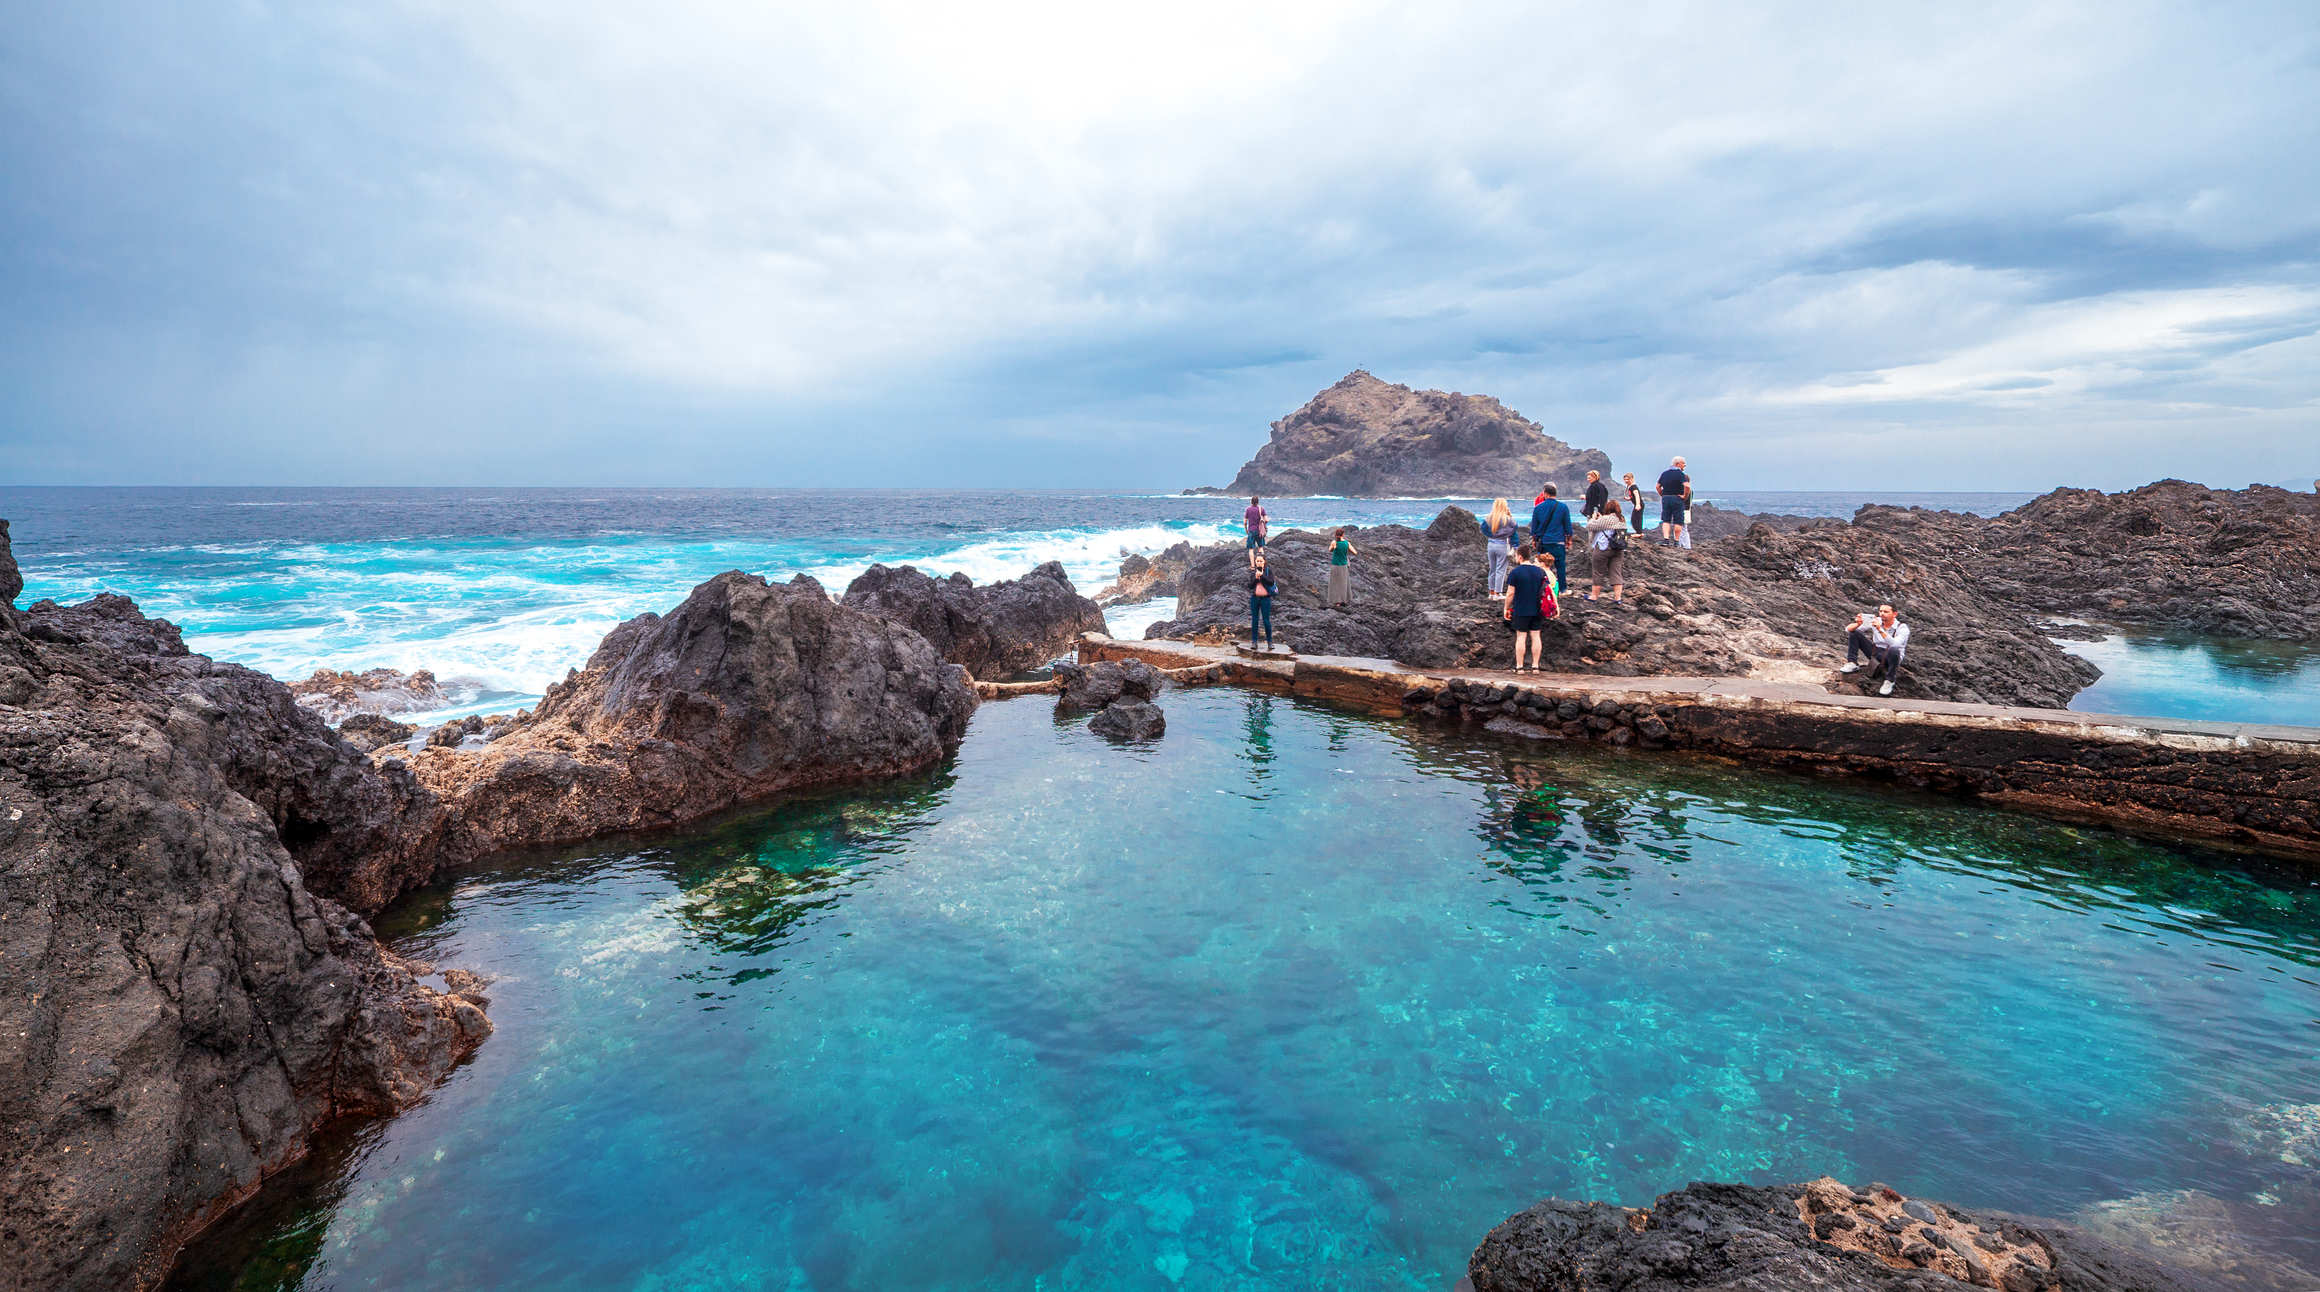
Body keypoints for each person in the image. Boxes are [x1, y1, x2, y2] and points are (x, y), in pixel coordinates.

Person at [1502, 542, 1555, 673]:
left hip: (1521, 609)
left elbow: (1510, 593)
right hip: (1537, 609)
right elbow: (1548, 590)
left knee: (1521, 637)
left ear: (1519, 556)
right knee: (1536, 636)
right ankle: (1535, 666)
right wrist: (1555, 606)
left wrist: (1506, 608)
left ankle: (1520, 667)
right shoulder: (1540, 571)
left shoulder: (1515, 572)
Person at [1840, 603, 1910, 696]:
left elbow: (1895, 644)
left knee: (1894, 650)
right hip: (1875, 653)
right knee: (1854, 633)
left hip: (1891, 656)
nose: (1882, 614)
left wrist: (1880, 629)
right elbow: (1848, 630)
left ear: (1894, 614)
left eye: (1886, 612)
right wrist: (1858, 624)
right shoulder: (1877, 621)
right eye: (1880, 611)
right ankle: (1852, 663)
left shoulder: (1902, 628)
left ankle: (1890, 680)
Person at [1527, 484, 1572, 592]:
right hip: (1558, 541)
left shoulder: (1538, 508)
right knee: (1560, 566)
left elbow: (1534, 527)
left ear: (1545, 494)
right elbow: (1567, 526)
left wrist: (1534, 540)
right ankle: (1562, 589)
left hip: (1544, 542)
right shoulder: (1563, 507)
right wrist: (1569, 539)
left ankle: (1541, 588)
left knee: (1542, 566)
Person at [1584, 500, 1628, 601]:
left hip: (1603, 548)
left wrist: (1593, 518)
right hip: (1618, 548)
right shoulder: (1621, 519)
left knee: (1598, 572)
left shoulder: (1606, 519)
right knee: (1616, 572)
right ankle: (1618, 598)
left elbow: (1590, 526)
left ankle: (1594, 596)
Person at [1481, 499, 1518, 596]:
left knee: (1492, 569)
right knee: (1501, 569)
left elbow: (1483, 529)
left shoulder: (1488, 518)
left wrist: (1491, 535)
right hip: (1502, 545)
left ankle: (1491, 593)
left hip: (1491, 545)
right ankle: (1498, 593)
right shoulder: (1507, 519)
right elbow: (1514, 530)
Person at [1657, 457, 1691, 546]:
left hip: (1666, 498)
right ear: (1677, 464)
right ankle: (1676, 541)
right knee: (1677, 521)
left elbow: (1657, 486)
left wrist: (1663, 495)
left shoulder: (1664, 474)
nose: (1685, 465)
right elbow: (1687, 486)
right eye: (1683, 463)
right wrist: (1685, 496)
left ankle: (1666, 539)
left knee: (1666, 520)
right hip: (1677, 498)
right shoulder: (1680, 474)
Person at [1249, 552, 1278, 649]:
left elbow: (1271, 582)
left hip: (1265, 599)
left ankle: (1269, 642)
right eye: (1257, 561)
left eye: (1261, 561)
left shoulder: (1269, 571)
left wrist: (1262, 576)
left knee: (1266, 621)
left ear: (1264, 562)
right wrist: (1256, 578)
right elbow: (1250, 586)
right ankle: (1254, 642)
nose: (1259, 563)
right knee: (1255, 620)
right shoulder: (1253, 572)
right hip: (1255, 599)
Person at [1327, 527, 1358, 607]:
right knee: (1344, 582)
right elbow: (1355, 552)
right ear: (1343, 535)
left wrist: (1333, 545)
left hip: (1335, 564)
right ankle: (1344, 600)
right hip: (1344, 564)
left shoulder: (1334, 542)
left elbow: (1330, 550)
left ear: (1335, 535)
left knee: (1335, 583)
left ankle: (1337, 601)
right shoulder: (1347, 543)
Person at [1243, 495, 1269, 570]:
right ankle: (1262, 564)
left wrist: (1246, 529)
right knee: (1260, 547)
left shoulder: (1248, 510)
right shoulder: (1261, 509)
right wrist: (1263, 525)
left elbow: (1245, 521)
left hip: (1251, 530)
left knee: (1251, 549)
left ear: (1251, 502)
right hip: (1259, 531)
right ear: (1258, 502)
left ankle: (1252, 566)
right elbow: (1267, 520)